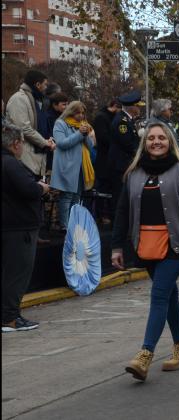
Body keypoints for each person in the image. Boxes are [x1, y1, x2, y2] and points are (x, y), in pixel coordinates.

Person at [111, 121, 179, 381]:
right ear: (144, 143)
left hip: (176, 245)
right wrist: (117, 246)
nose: (156, 142)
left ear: (170, 141)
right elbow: (122, 212)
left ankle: (145, 354)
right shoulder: (133, 174)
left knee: (159, 293)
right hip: (146, 244)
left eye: (161, 137)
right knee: (169, 297)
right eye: (151, 138)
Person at [2, 124, 50, 332]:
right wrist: (41, 188)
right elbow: (28, 189)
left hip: (8, 225)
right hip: (18, 227)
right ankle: (10, 318)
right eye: (21, 143)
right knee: (17, 273)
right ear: (15, 144)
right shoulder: (11, 164)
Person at [51, 101, 96, 227]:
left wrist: (86, 134)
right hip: (67, 166)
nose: (81, 115)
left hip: (81, 167)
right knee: (66, 196)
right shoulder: (60, 124)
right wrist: (79, 134)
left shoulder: (83, 125)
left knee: (77, 198)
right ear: (71, 112)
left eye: (82, 113)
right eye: (78, 113)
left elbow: (91, 145)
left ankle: (73, 225)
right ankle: (64, 226)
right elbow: (62, 143)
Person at [6, 70, 56, 179]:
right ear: (37, 85)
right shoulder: (19, 99)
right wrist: (44, 142)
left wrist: (48, 141)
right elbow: (23, 128)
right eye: (45, 84)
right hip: (24, 159)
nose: (46, 88)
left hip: (34, 159)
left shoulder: (36, 100)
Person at [108, 91, 145, 222]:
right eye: (138, 106)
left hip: (125, 164)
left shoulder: (127, 119)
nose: (139, 108)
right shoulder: (122, 122)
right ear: (132, 107)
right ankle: (117, 226)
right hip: (120, 165)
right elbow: (128, 144)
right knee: (119, 197)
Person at [92, 99, 122, 224]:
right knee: (102, 189)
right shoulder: (101, 118)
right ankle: (102, 215)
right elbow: (103, 137)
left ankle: (109, 213)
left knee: (110, 189)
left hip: (111, 159)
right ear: (114, 106)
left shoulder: (111, 117)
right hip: (104, 159)